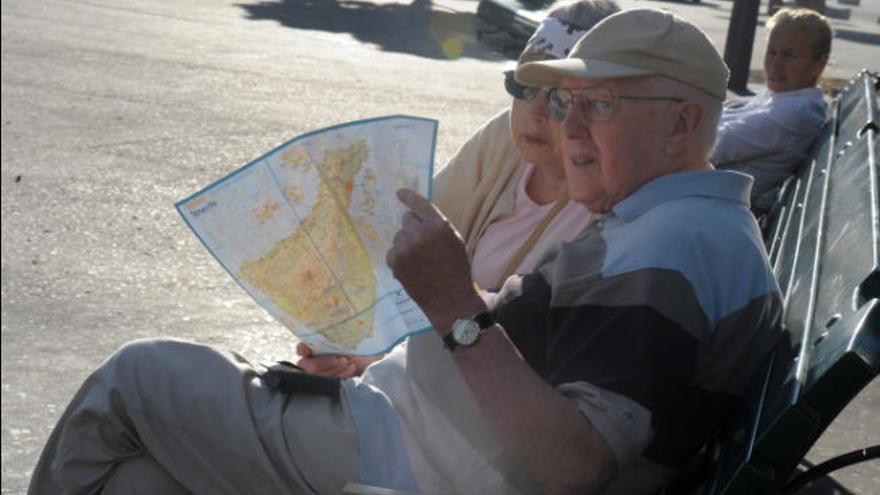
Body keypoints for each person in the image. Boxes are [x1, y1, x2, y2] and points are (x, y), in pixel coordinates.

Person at [29, 8, 782, 495]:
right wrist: (402, 337)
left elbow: (573, 465)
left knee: (134, 375)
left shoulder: (672, 252)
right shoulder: (678, 227)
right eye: (564, 101)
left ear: (684, 123)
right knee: (138, 482)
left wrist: (454, 304)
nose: (569, 126)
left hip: (401, 456)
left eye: (601, 104)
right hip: (405, 423)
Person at [296, 0, 620, 379]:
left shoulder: (613, 201)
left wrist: (385, 365)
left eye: (559, 97)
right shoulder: (506, 139)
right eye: (523, 85)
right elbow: (410, 247)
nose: (535, 111)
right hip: (420, 368)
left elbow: (521, 360)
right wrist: (352, 344)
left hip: (476, 397)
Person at [712, 7, 831, 211]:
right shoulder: (786, 96)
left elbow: (712, 147)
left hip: (710, 200)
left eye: (789, 55)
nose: (775, 65)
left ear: (819, 63)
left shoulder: (794, 114)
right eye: (772, 52)